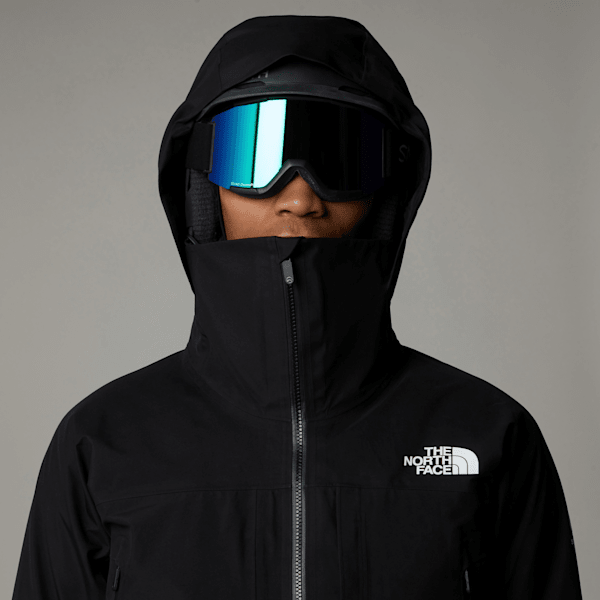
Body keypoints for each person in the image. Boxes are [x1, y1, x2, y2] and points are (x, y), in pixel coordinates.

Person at [12, 14, 583, 600]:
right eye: (255, 155)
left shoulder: (489, 435)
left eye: (343, 159)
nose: (300, 197)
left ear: (386, 197)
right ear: (203, 190)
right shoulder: (100, 443)